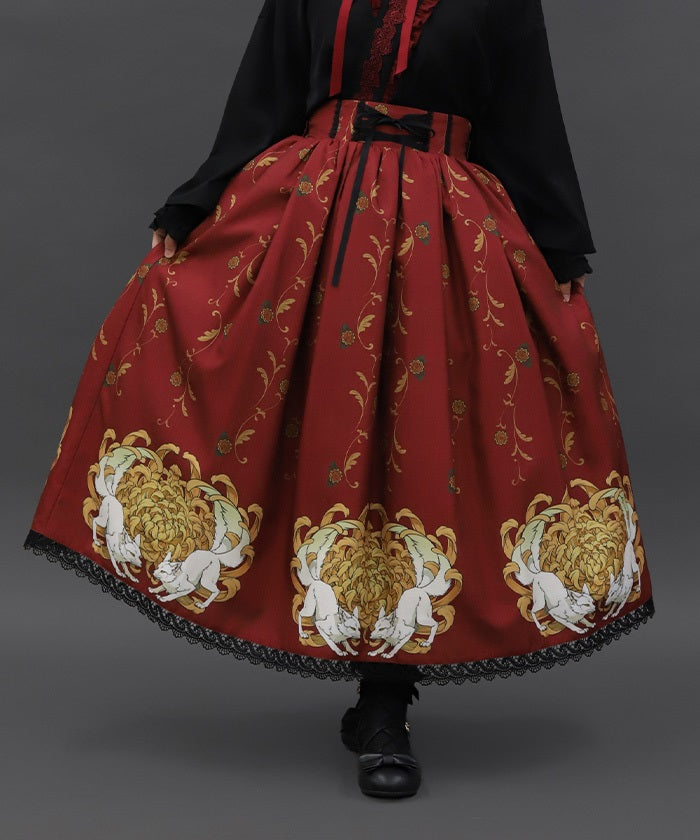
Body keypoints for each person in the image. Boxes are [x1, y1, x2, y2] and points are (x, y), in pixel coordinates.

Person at [23, 0, 655, 799]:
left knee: (418, 459)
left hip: (444, 239)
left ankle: (386, 701)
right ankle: (356, 673)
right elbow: (263, 93)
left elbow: (528, 115)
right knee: (326, 447)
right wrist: (196, 201)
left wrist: (558, 241)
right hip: (316, 229)